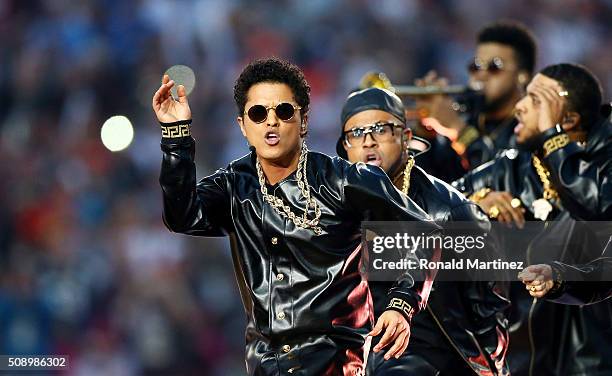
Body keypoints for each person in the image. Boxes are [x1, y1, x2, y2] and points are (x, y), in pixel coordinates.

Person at [153, 57, 441, 375]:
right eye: (258, 113)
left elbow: (424, 233)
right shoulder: (232, 185)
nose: (271, 122)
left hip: (336, 364)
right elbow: (181, 216)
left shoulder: (345, 180)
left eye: (284, 111)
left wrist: (401, 303)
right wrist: (176, 136)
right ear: (243, 126)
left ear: (303, 121)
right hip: (266, 366)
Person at [336, 87, 510, 375]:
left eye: (380, 129)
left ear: (405, 138)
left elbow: (490, 304)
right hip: (363, 359)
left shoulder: (449, 210)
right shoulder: (336, 209)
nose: (367, 141)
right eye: (356, 133)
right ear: (345, 148)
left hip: (436, 358)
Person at [452, 63, 612, 375]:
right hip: (521, 361)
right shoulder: (510, 170)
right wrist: (475, 202)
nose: (520, 106)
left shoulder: (604, 171)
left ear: (569, 119)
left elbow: (597, 207)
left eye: (536, 101)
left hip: (595, 361)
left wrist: (552, 136)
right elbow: (431, 209)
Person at [414, 20, 537, 181]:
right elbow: (424, 179)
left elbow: (505, 178)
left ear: (522, 76)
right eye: (476, 66)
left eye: (494, 67)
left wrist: (457, 129)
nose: (481, 75)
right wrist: (425, 132)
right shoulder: (469, 116)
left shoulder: (531, 125)